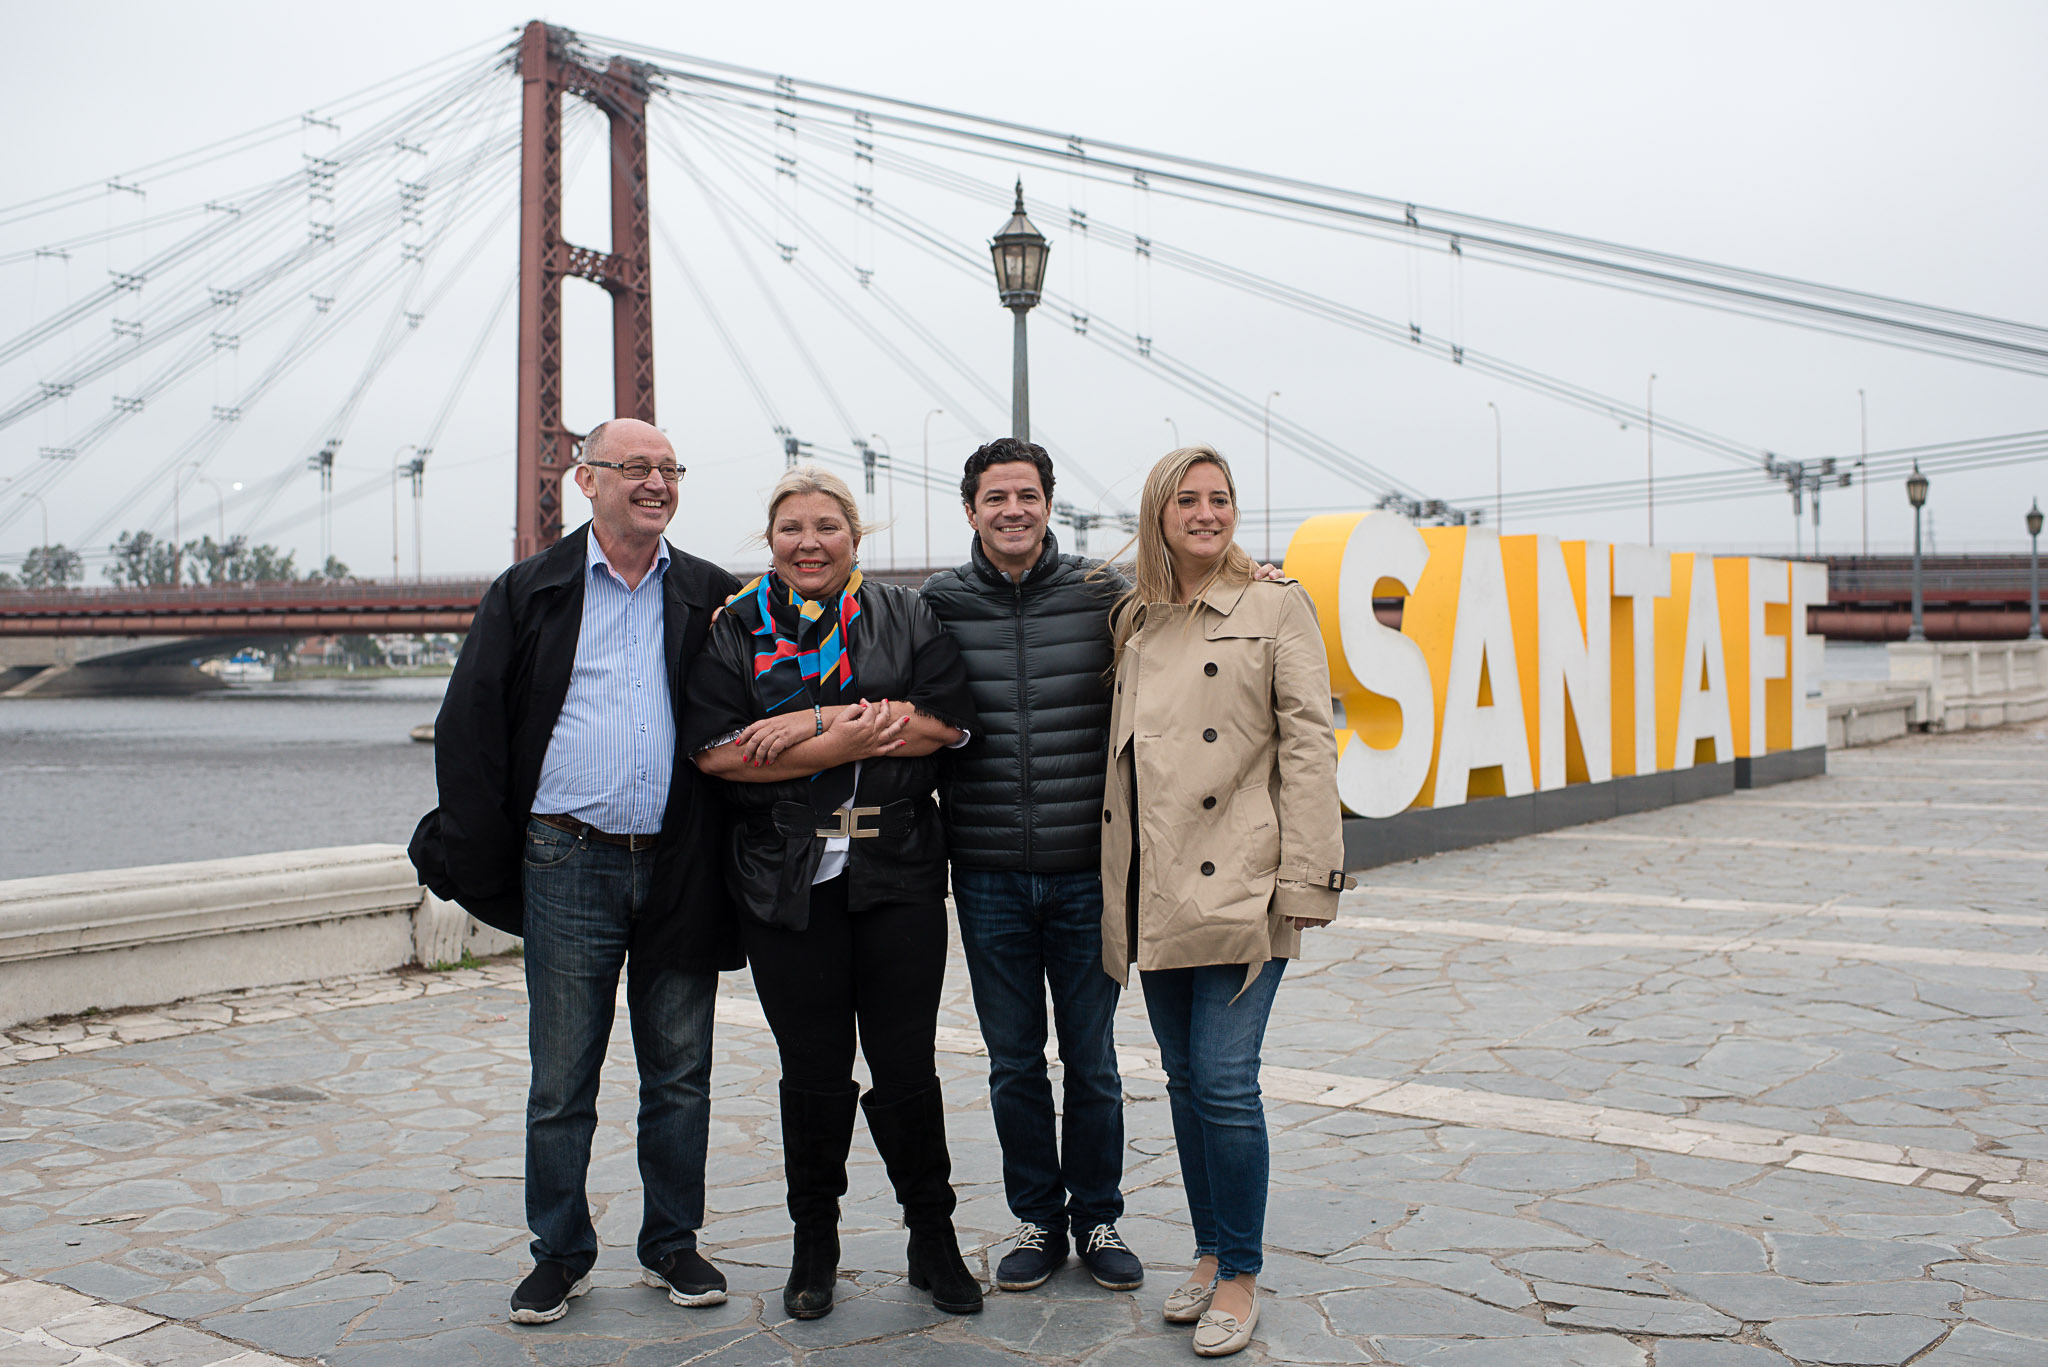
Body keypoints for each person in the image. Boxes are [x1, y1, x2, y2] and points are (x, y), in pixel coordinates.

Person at [407, 419, 741, 1325]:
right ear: (585, 479)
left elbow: (751, 720)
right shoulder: (531, 590)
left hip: (678, 862)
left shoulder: (714, 594)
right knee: (562, 1079)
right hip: (567, 858)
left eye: (670, 468)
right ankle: (559, 1251)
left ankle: (673, 1240)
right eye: (636, 468)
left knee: (680, 1071)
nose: (657, 483)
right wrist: (479, 854)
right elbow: (469, 723)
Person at [683, 466, 984, 1321]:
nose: (808, 542)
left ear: (856, 535)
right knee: (812, 1072)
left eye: (826, 527)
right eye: (791, 528)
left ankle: (934, 1237)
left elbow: (945, 725)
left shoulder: (906, 612)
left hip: (898, 873)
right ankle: (814, 1242)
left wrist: (812, 724)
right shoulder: (734, 627)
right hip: (784, 880)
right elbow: (716, 750)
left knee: (905, 1066)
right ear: (769, 540)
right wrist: (862, 726)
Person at [1099, 444, 1353, 1359]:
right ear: (1158, 512)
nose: (1207, 513)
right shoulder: (1136, 616)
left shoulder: (1278, 604)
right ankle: (1208, 1252)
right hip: (1159, 882)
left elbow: (1309, 745)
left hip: (1246, 883)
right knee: (1181, 1080)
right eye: (1188, 500)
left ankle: (1241, 1273)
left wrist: (1311, 878)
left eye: (1221, 499)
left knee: (1223, 1082)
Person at [919, 437, 1144, 1294]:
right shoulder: (936, 601)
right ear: (970, 509)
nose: (1012, 510)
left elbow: (1191, 607)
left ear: (1049, 504)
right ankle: (1035, 1218)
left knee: (1092, 1059)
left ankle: (1099, 1216)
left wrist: (1258, 578)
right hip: (985, 872)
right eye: (994, 497)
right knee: (1013, 1058)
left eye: (1027, 495)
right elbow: (851, 633)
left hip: (1089, 869)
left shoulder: (1102, 593)